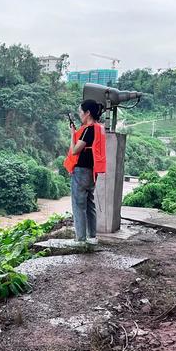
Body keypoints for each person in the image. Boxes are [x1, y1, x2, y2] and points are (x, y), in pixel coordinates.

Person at [63, 99, 106, 245]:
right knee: (89, 204)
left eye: (81, 112)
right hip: (92, 172)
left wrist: (72, 134)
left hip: (81, 172)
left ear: (87, 113)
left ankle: (80, 239)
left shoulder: (88, 130)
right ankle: (92, 237)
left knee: (78, 205)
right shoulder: (98, 129)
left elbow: (75, 151)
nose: (80, 115)